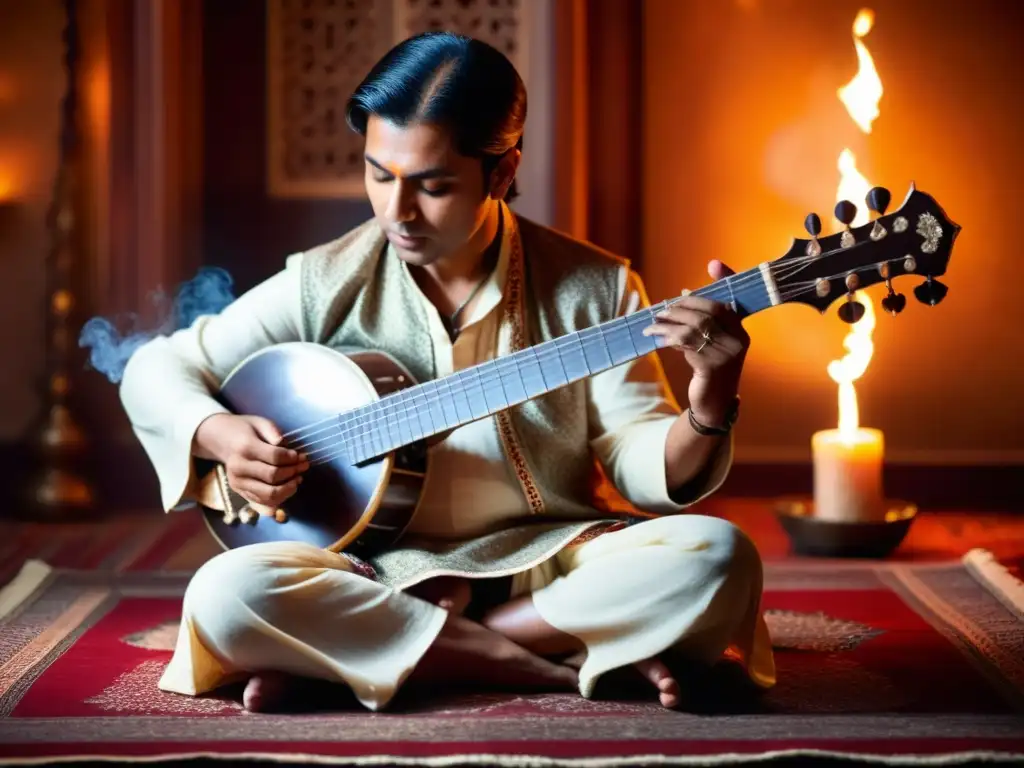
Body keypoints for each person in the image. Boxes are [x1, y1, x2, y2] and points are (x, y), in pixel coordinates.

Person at [119, 31, 776, 714]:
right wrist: (219, 434)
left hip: (546, 563)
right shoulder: (324, 281)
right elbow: (155, 366)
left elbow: (638, 458)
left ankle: (389, 655)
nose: (396, 212)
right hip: (372, 572)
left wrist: (710, 399)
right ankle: (543, 664)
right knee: (225, 594)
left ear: (500, 172)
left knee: (718, 558)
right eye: (379, 174)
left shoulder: (595, 287)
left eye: (432, 186)